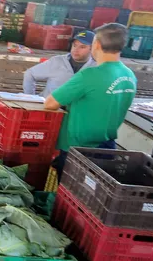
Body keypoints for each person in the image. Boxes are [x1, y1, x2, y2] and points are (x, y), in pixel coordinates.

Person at [45, 24, 136, 175]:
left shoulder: (89, 75)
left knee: (69, 194)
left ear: (97, 44)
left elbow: (50, 103)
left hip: (79, 149)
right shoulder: (129, 75)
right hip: (107, 146)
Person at [23, 30, 97, 97]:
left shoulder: (96, 67)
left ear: (92, 49)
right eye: (74, 45)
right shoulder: (57, 61)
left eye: (82, 47)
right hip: (49, 108)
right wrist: (31, 97)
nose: (76, 50)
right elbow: (30, 74)